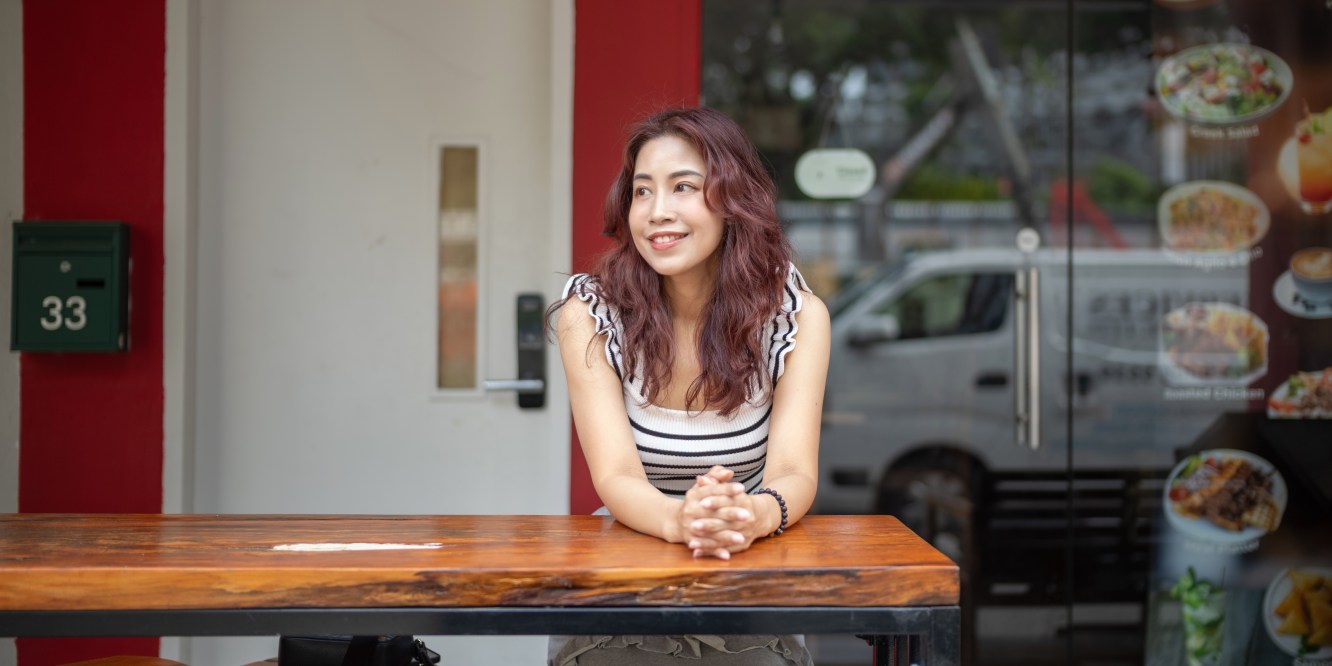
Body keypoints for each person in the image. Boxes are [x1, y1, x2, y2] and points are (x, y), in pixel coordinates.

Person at [548, 107, 830, 665]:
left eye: (683, 187)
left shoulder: (794, 317)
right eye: (642, 191)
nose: (657, 211)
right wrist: (680, 520)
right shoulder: (591, 314)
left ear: (733, 199)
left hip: (745, 557)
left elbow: (794, 472)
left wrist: (751, 516)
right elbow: (616, 476)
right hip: (628, 568)